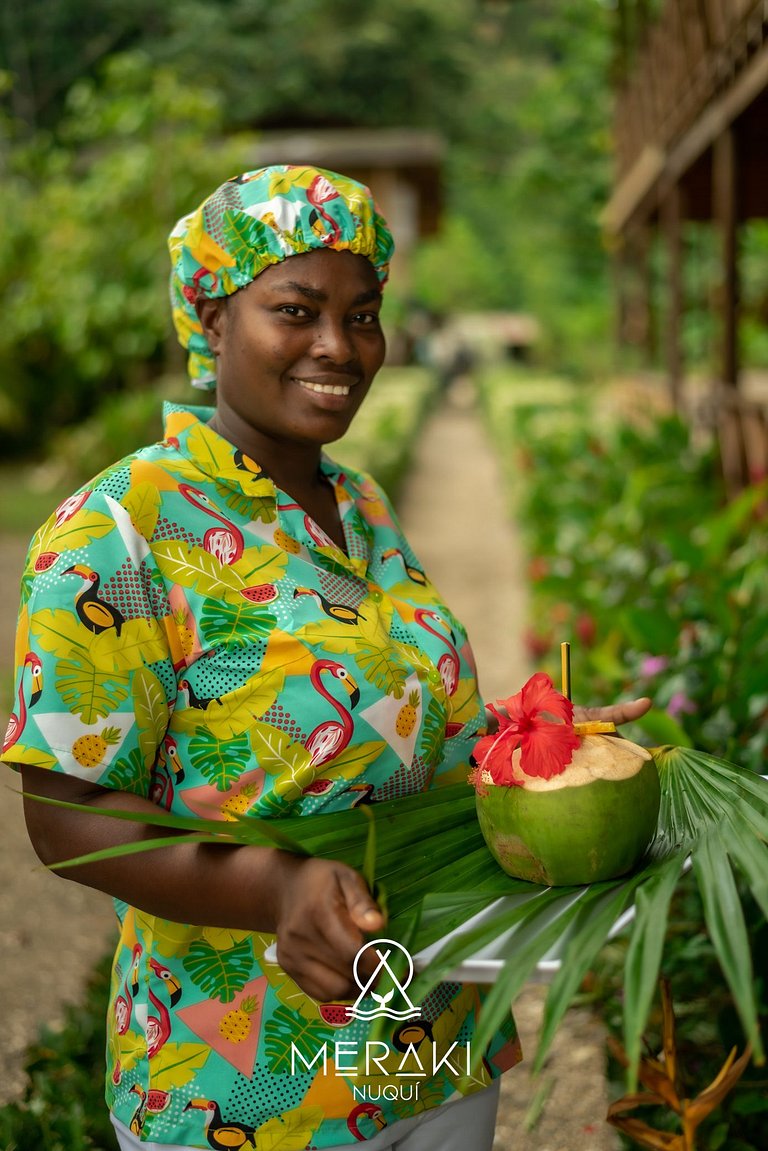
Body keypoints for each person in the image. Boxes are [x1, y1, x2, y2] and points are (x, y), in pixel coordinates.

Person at [1, 165, 650, 1151]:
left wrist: (528, 744)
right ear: (212, 318)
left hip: (426, 1044)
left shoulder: (362, 505)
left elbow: (391, 728)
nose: (338, 348)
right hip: (243, 1075)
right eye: (295, 309)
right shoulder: (120, 531)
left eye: (364, 314)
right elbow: (67, 812)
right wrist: (277, 887)